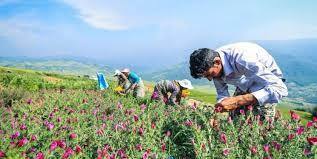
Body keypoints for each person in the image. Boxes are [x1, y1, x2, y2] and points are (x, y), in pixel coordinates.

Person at [189, 42, 288, 121]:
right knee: (234, 119)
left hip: (267, 83)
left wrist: (238, 100)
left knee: (261, 125)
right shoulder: (213, 65)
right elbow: (222, 94)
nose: (210, 79)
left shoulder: (243, 60)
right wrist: (217, 112)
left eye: (210, 75)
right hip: (245, 83)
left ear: (217, 62)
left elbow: (280, 89)